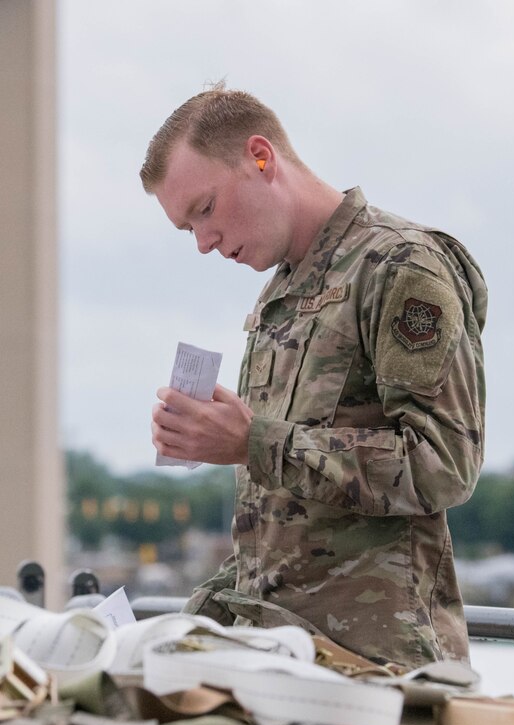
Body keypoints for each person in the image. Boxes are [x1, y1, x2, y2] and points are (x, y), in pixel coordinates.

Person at [140, 84, 487, 672]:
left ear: (260, 157)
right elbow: (288, 525)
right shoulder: (282, 293)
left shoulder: (401, 265)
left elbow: (444, 464)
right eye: (187, 229)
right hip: (287, 664)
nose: (204, 243)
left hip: (381, 672)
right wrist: (200, 623)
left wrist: (251, 441)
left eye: (205, 209)